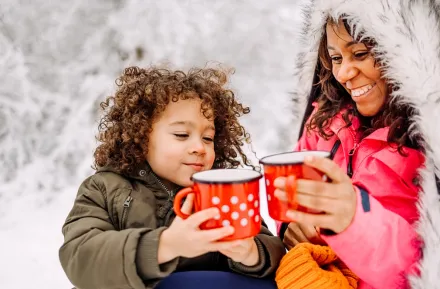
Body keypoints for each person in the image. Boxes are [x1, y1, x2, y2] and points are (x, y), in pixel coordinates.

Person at [59, 66, 285, 289]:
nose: (199, 147)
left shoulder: (222, 191)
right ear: (140, 136)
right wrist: (165, 245)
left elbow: (270, 247)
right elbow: (80, 257)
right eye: (181, 135)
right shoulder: (103, 189)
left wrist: (251, 253)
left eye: (208, 138)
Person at [273, 0, 440, 288]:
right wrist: (290, 226)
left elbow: (426, 266)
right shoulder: (324, 122)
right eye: (336, 58)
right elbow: (289, 197)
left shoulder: (427, 145)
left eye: (360, 54)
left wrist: (352, 220)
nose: (344, 74)